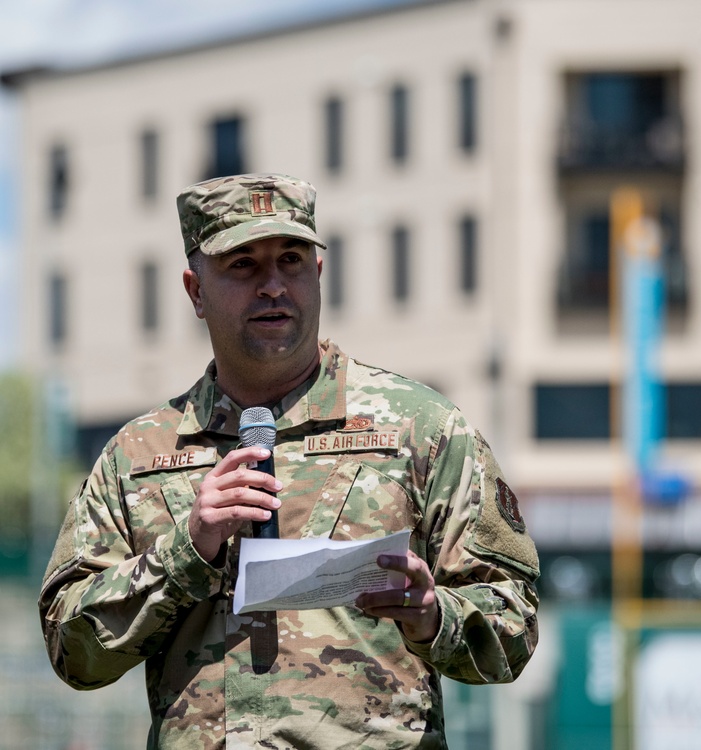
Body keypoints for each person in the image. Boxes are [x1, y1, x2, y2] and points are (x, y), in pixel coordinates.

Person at [38, 173, 540, 749]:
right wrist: (187, 550)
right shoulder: (139, 455)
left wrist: (433, 615)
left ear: (319, 275)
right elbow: (71, 652)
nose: (273, 285)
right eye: (243, 265)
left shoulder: (422, 430)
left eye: (292, 260)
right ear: (195, 292)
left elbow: (515, 632)